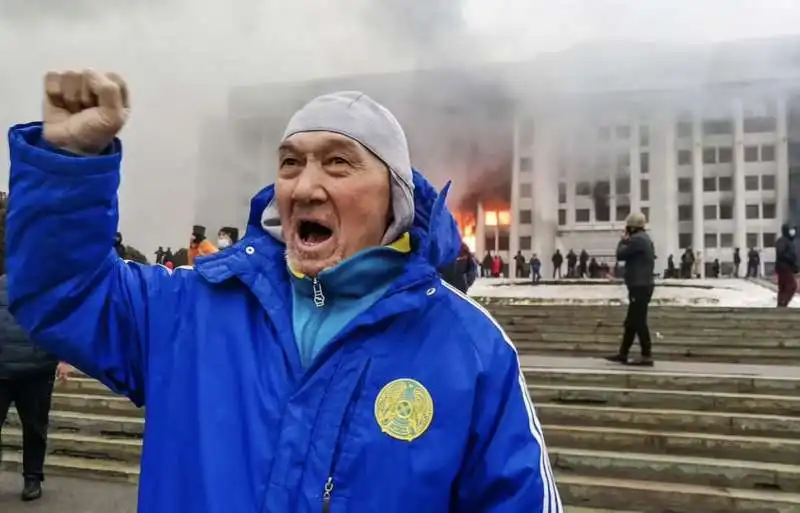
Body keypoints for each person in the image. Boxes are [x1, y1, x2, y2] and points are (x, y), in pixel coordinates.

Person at [5, 71, 560, 513]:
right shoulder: (189, 310)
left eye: (339, 162)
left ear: (394, 199)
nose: (305, 184)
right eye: (290, 164)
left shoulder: (469, 348)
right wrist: (68, 168)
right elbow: (64, 291)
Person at [0, 276, 71, 501]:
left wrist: (63, 358)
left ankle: (32, 477)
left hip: (37, 371)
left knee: (34, 429)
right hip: (2, 370)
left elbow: (60, 323)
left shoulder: (47, 286)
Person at [606, 212, 655, 366]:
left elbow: (620, 255)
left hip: (640, 286)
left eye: (628, 227)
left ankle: (646, 355)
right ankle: (623, 353)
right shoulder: (644, 239)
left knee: (638, 321)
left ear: (632, 227)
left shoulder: (637, 240)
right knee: (631, 322)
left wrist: (622, 241)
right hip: (641, 285)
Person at [774, 223, 798, 307]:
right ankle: (783, 303)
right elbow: (781, 253)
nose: (793, 233)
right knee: (791, 286)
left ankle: (781, 304)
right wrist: (791, 261)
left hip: (785, 267)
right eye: (791, 231)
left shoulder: (787, 241)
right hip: (784, 267)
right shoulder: (783, 241)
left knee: (784, 287)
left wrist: (794, 266)